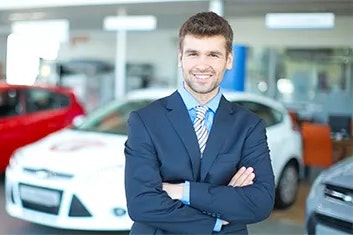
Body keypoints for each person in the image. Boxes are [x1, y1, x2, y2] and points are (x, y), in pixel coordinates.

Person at [124, 11, 275, 234]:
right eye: (193, 53)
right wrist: (216, 214)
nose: (202, 65)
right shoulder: (145, 120)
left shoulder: (249, 126)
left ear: (229, 60)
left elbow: (260, 202)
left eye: (213, 55)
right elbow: (141, 204)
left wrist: (182, 191)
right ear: (180, 58)